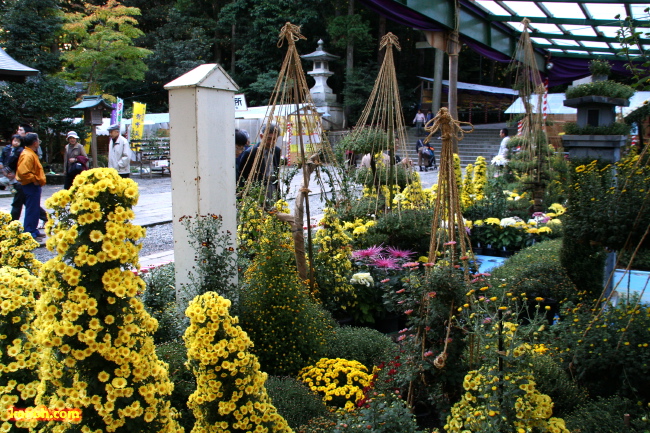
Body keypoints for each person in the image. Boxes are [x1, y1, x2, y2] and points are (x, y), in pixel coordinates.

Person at [238, 123, 282, 200]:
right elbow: (242, 176)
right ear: (262, 136)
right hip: (257, 191)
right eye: (268, 138)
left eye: (274, 139)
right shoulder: (251, 152)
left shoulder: (277, 151)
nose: (271, 142)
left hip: (273, 187)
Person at [16, 133, 46, 240]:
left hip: (32, 186)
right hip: (30, 185)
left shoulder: (30, 153)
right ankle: (29, 233)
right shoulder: (27, 155)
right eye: (38, 140)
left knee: (35, 209)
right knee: (31, 208)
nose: (38, 142)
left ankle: (34, 230)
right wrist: (35, 179)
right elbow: (22, 172)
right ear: (35, 142)